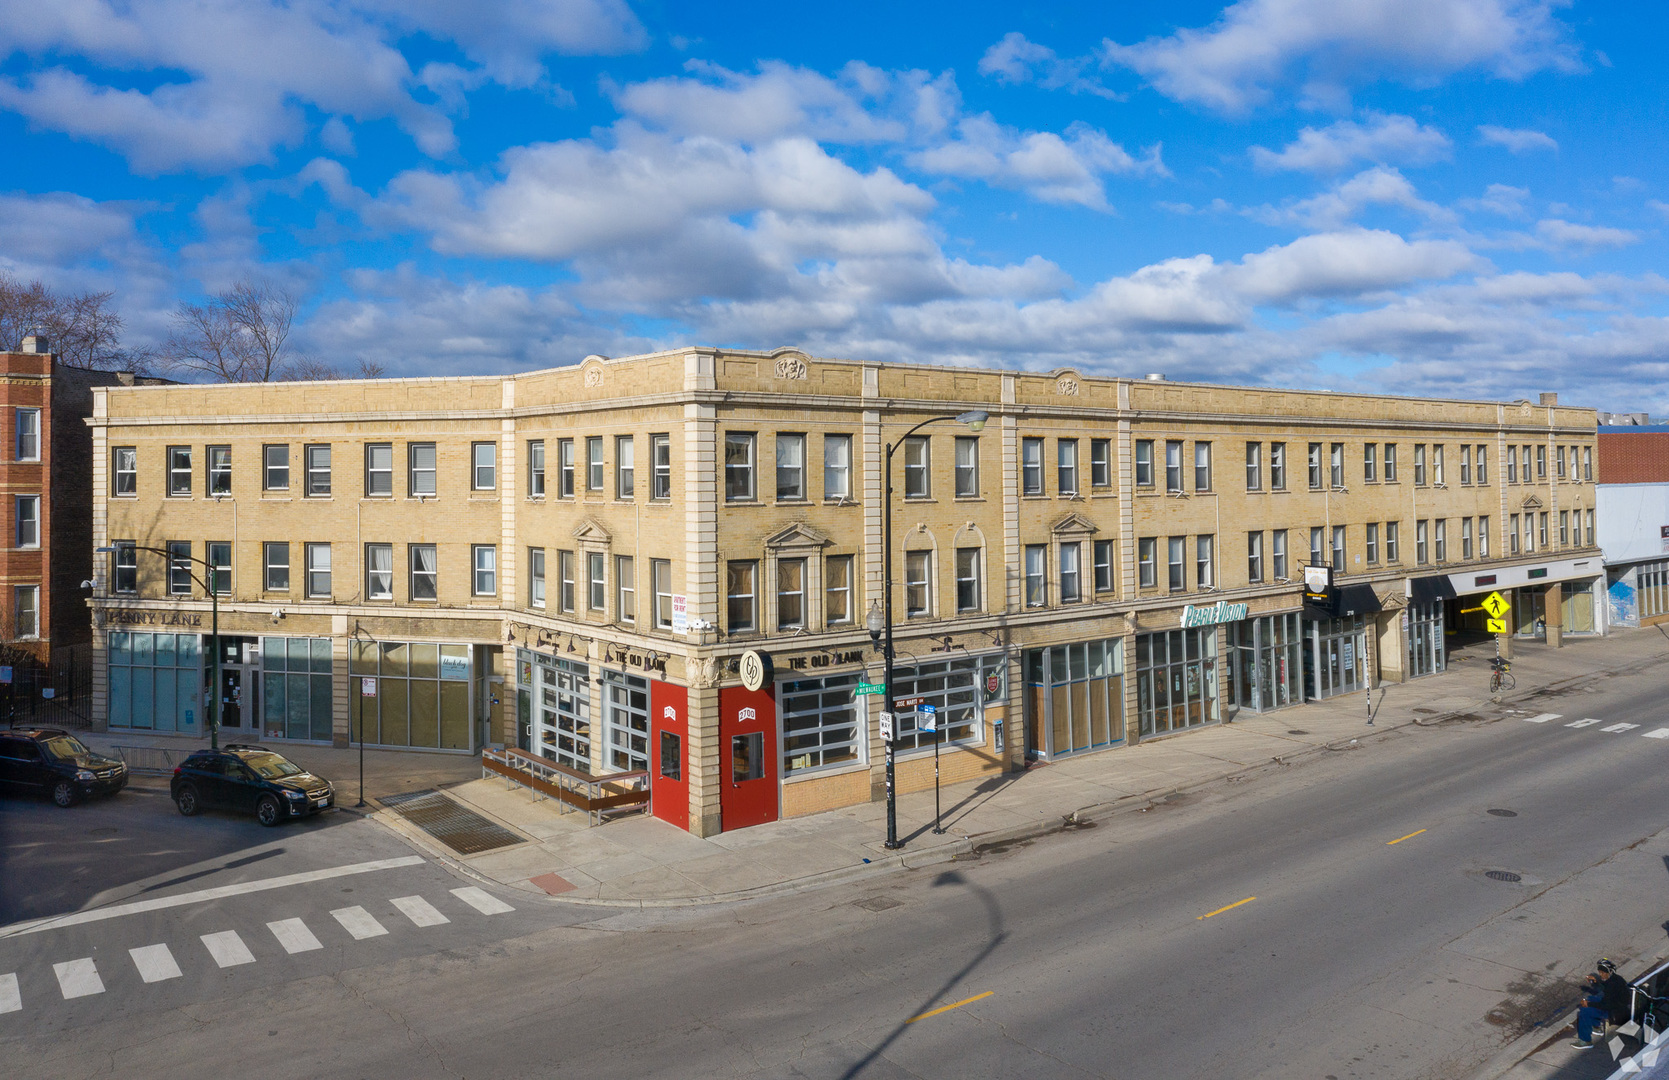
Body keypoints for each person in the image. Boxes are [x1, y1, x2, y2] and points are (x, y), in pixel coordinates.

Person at [1572, 959, 1628, 1048]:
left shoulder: (1612, 985)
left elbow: (1605, 1005)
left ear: (1609, 972)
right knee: (1592, 998)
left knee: (1584, 1012)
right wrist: (1597, 981)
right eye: (1600, 972)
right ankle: (1596, 1027)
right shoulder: (1616, 978)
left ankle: (1585, 1041)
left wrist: (1588, 1004)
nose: (1601, 974)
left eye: (1603, 973)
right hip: (1618, 1007)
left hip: (1614, 1012)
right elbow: (1606, 985)